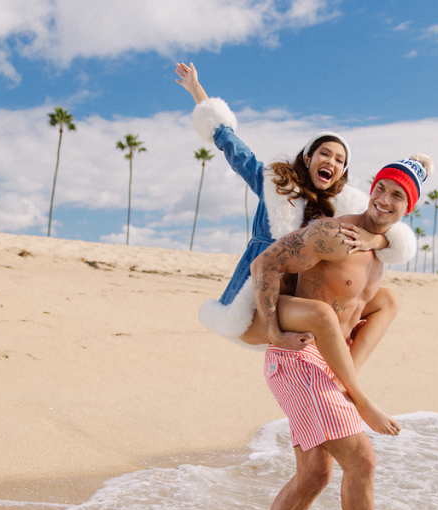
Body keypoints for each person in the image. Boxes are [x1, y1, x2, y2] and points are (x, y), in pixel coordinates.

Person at [174, 62, 415, 356]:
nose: (331, 161)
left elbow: (386, 226)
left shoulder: (345, 207)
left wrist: (376, 239)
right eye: (324, 153)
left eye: (340, 160)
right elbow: (232, 146)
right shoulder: (274, 186)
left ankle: (344, 381)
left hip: (305, 301)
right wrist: (197, 90)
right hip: (264, 300)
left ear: (342, 172)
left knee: (387, 300)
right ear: (307, 157)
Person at [251, 155, 432, 510]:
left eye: (396, 195)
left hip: (326, 365)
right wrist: (273, 330)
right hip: (298, 359)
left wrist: (421, 166)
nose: (383, 199)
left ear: (407, 208)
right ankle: (360, 397)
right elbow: (265, 264)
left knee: (315, 474)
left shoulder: (381, 247)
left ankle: (348, 379)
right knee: (362, 461)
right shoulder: (335, 235)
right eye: (380, 188)